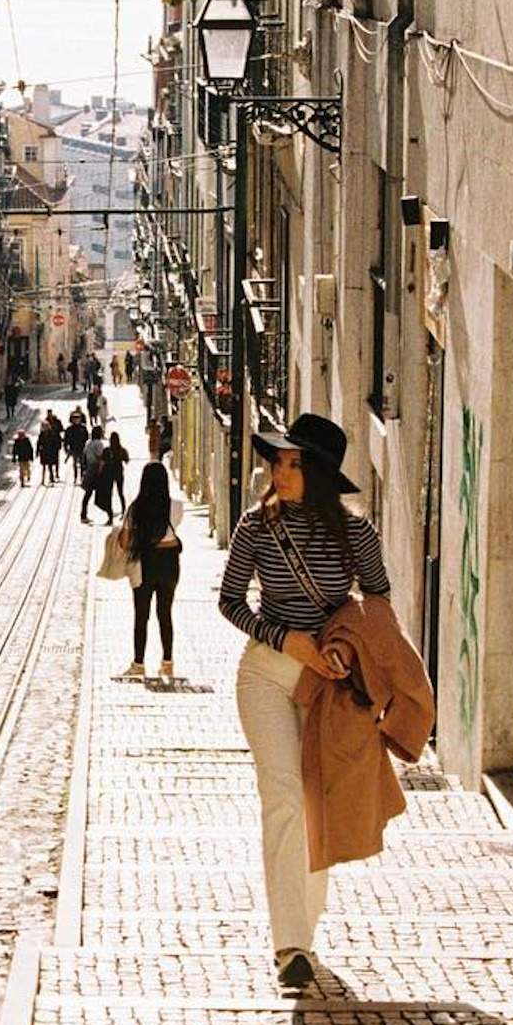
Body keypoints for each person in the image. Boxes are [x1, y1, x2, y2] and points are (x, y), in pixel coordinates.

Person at [216, 413, 393, 992]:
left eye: (292, 463)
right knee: (285, 797)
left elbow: (378, 603)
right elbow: (229, 601)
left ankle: (302, 931)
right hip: (266, 675)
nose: (280, 471)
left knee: (314, 804)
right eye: (278, 461)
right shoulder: (255, 527)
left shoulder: (356, 534)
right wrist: (284, 638)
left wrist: (343, 647)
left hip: (326, 685)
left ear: (317, 473)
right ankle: (290, 943)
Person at [117, 461, 184, 680]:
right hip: (169, 563)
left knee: (141, 615)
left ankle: (138, 664)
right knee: (165, 614)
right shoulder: (177, 506)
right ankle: (167, 663)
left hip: (144, 563)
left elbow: (125, 542)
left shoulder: (135, 508)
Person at [96, 430, 129, 521]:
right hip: (119, 473)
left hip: (109, 474)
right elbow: (127, 460)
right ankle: (124, 511)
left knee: (109, 495)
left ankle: (110, 516)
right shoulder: (122, 450)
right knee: (121, 493)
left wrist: (99, 473)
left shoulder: (107, 450)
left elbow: (102, 463)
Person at [38, 412, 63, 485]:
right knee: (47, 465)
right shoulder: (41, 434)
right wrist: (37, 451)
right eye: (43, 426)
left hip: (52, 451)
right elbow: (39, 442)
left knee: (52, 464)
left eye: (46, 426)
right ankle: (48, 478)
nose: (44, 428)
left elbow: (56, 441)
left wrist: (58, 447)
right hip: (45, 451)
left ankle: (54, 475)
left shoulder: (52, 433)